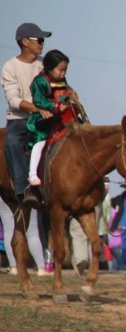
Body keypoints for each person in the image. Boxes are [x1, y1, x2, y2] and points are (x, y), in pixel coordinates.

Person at [1, 23, 52, 205]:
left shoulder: (45, 64)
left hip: (47, 118)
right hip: (20, 120)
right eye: (39, 40)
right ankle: (24, 189)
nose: (42, 43)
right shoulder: (10, 67)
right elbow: (13, 100)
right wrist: (38, 109)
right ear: (25, 42)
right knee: (13, 142)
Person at [26, 49, 75, 186]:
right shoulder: (39, 81)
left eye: (65, 70)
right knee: (40, 142)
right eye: (60, 70)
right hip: (42, 120)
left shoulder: (62, 80)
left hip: (60, 118)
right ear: (49, 68)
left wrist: (71, 95)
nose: (63, 73)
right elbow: (38, 100)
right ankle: (32, 174)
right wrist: (56, 107)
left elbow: (66, 90)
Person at [0, 195, 50, 276]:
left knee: (8, 230)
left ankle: (13, 267)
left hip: (2, 196)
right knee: (32, 232)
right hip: (23, 194)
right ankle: (41, 268)